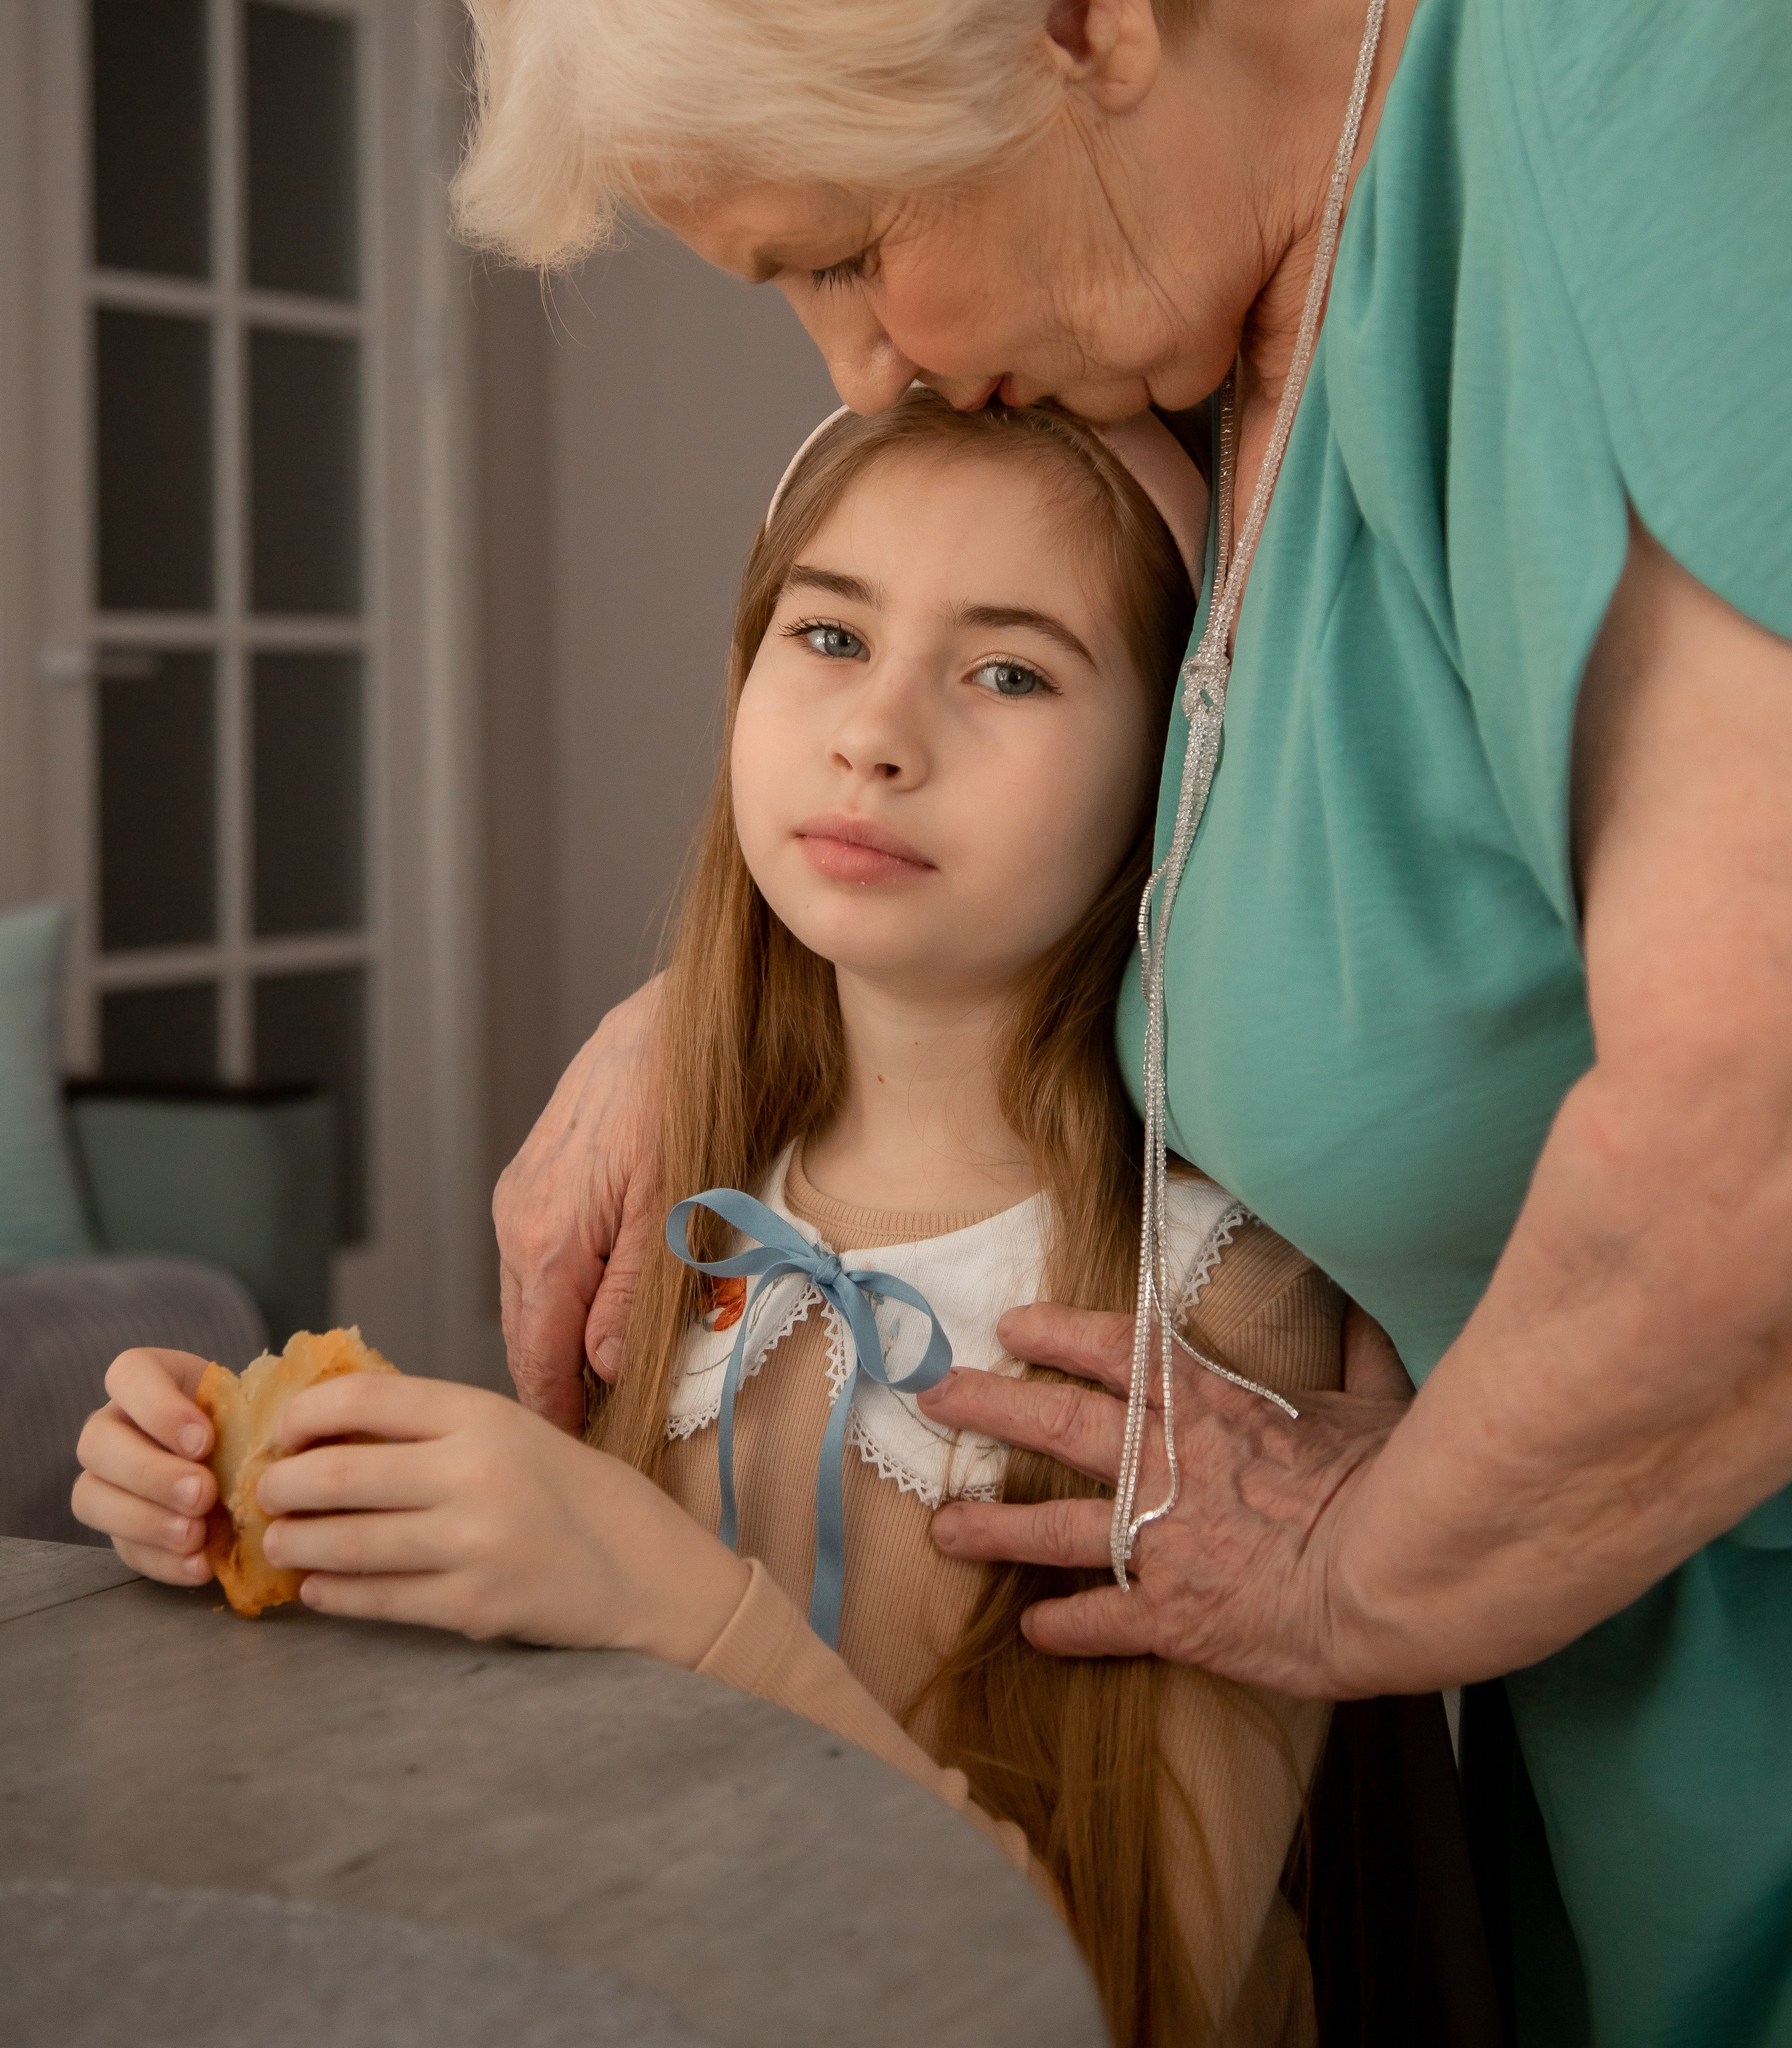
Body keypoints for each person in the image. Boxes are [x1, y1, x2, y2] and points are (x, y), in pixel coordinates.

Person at [452, 0, 1792, 2047]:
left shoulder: (1656, 43)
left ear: (1077, 13)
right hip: (1626, 1725)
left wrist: (1352, 1582)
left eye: (847, 251)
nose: (858, 370)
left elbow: (1765, 1111)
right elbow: (1217, 861)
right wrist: (701, 1012)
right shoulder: (1212, 340)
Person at [75, 389, 1361, 2048]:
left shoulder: (1227, 1290)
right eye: (829, 635)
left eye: (1009, 672)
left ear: (1175, 768)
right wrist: (274, 1514)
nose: (875, 733)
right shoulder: (675, 1197)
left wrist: (668, 1599)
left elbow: (1134, 2002)